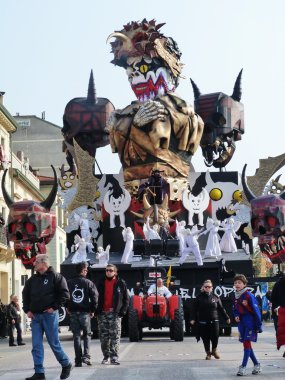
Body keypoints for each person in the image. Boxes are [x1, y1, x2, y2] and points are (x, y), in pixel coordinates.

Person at [22, 254, 72, 380]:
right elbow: (25, 295)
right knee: (36, 345)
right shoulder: (32, 280)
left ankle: (66, 364)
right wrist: (27, 310)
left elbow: (65, 294)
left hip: (49, 316)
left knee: (54, 343)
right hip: (35, 317)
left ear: (44, 263)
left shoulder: (56, 277)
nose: (34, 264)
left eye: (36, 262)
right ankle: (39, 372)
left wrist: (54, 307)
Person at [96, 264, 129, 365]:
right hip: (102, 314)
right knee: (104, 337)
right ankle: (106, 356)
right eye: (106, 270)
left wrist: (122, 311)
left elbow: (126, 299)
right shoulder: (101, 282)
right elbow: (95, 297)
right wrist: (96, 310)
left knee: (115, 336)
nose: (108, 272)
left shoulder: (121, 283)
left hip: (115, 314)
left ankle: (114, 357)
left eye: (110, 270)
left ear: (115, 272)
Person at [67, 262, 98, 367]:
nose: (87, 271)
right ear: (84, 270)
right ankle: (86, 356)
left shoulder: (69, 282)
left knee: (76, 336)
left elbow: (65, 296)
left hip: (73, 312)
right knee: (87, 335)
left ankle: (78, 360)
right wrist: (93, 310)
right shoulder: (88, 283)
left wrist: (68, 307)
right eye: (86, 270)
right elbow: (95, 297)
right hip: (85, 313)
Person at [190, 279, 230, 360]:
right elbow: (193, 309)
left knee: (215, 337)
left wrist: (227, 317)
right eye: (206, 287)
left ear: (212, 288)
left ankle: (214, 351)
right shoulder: (198, 297)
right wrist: (193, 319)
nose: (208, 288)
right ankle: (208, 353)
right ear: (203, 287)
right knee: (205, 338)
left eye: (209, 287)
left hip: (214, 321)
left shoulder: (215, 297)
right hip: (203, 322)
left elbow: (221, 308)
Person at [233, 274, 262, 376]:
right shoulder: (236, 296)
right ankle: (256, 364)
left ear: (244, 284)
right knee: (246, 344)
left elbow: (256, 311)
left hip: (250, 322)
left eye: (239, 283)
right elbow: (235, 308)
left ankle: (243, 367)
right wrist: (236, 315)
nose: (237, 284)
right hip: (242, 323)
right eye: (235, 282)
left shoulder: (249, 295)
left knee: (246, 343)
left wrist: (259, 326)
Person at [270, 272, 285, 357]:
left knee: (281, 331)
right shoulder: (278, 284)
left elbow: (272, 298)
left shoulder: (278, 284)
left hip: (278, 312)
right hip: (279, 311)